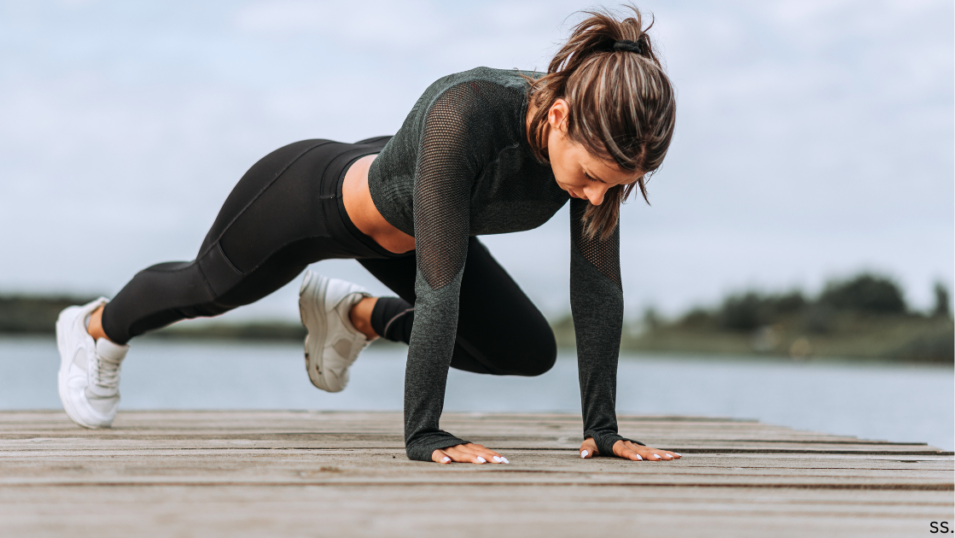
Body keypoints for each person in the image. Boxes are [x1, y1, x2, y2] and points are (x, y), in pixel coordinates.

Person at [54, 7, 681, 465]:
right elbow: (440, 289)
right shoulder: (467, 113)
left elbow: (598, 287)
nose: (599, 197)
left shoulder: (603, 152)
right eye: (595, 178)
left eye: (619, 185)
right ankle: (95, 329)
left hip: (411, 223)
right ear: (559, 116)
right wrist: (426, 434)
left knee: (526, 351)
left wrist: (603, 428)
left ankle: (355, 314)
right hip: (313, 198)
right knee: (208, 289)